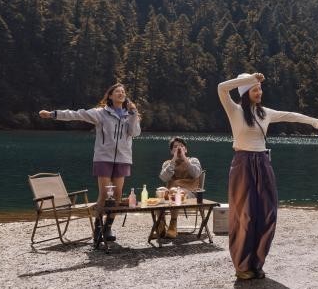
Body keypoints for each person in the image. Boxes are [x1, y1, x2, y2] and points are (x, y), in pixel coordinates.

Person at [217, 72, 318, 281]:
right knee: (245, 215)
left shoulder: (265, 113)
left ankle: (256, 263)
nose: (259, 92)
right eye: (254, 89)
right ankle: (242, 266)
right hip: (242, 164)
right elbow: (221, 87)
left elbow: (290, 115)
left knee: (268, 213)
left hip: (263, 163)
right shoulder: (235, 110)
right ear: (245, 92)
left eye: (259, 88)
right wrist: (249, 79)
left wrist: (313, 121)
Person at [39, 82, 141, 246]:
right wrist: (53, 114)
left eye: (123, 92)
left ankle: (108, 228)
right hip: (103, 158)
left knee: (117, 196)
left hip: (123, 159)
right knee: (104, 195)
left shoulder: (129, 115)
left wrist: (134, 114)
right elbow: (77, 114)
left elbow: (135, 133)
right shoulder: (101, 113)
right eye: (117, 91)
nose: (121, 93)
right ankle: (98, 228)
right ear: (110, 95)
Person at [158, 136, 203, 239]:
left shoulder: (193, 160)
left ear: (186, 150)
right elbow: (164, 178)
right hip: (170, 193)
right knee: (160, 193)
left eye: (181, 146)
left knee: (176, 193)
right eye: (175, 147)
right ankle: (160, 226)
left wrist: (184, 158)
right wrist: (173, 160)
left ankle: (173, 225)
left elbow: (196, 174)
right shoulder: (168, 163)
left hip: (190, 193)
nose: (178, 149)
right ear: (171, 151)